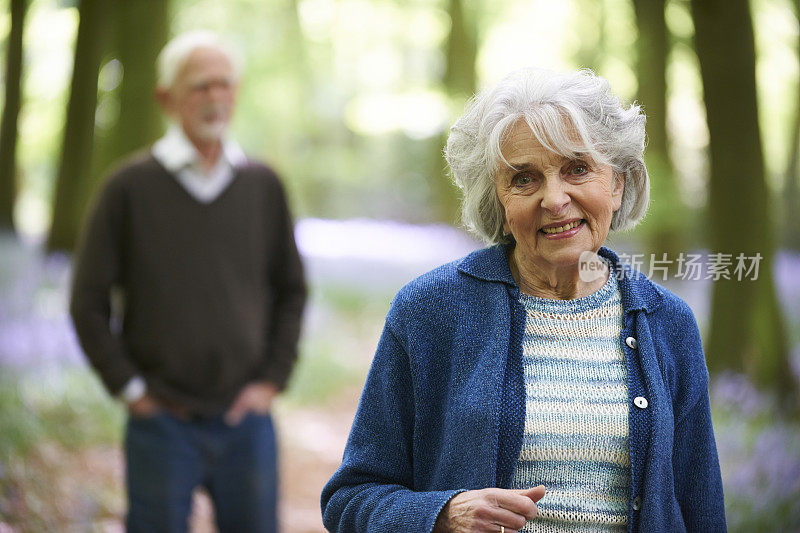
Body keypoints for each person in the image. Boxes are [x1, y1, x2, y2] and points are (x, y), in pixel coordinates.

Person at [321, 68, 726, 533]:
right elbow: (350, 499)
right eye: (524, 179)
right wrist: (442, 515)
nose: (555, 199)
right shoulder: (430, 311)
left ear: (617, 184)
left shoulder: (668, 322)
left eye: (577, 168)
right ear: (497, 199)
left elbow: (703, 510)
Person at [70, 31, 306, 532]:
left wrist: (269, 382)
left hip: (247, 422)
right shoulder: (127, 187)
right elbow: (88, 302)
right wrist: (131, 390)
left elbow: (292, 289)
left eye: (224, 84)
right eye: (200, 86)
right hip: (161, 422)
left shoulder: (263, 186)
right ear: (165, 98)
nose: (215, 96)